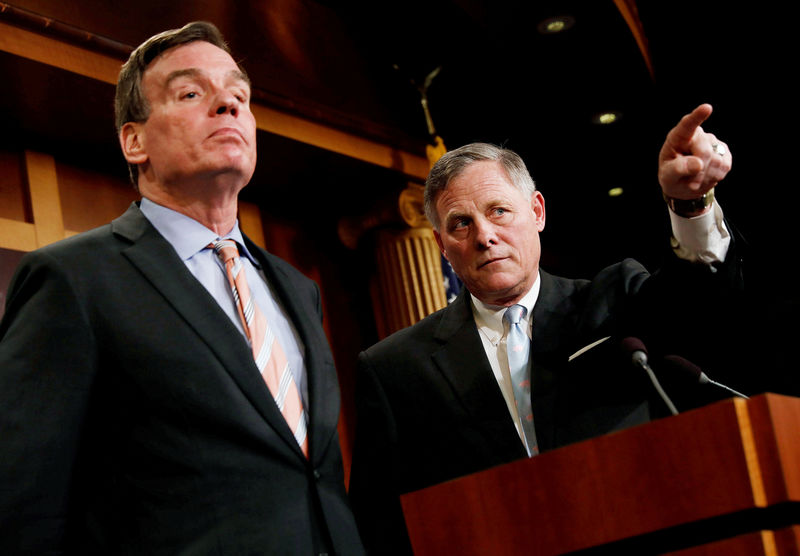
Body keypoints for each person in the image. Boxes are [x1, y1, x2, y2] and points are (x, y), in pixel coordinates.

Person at [0, 22, 364, 555]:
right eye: (192, 93)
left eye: (238, 95)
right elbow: (22, 500)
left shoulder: (295, 287)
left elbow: (311, 475)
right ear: (134, 140)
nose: (228, 106)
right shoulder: (73, 279)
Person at [348, 104, 747, 554]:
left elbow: (699, 308)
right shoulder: (395, 367)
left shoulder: (612, 302)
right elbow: (379, 520)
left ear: (537, 212)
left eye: (498, 211)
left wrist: (690, 204)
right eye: (461, 223)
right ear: (441, 244)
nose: (484, 235)